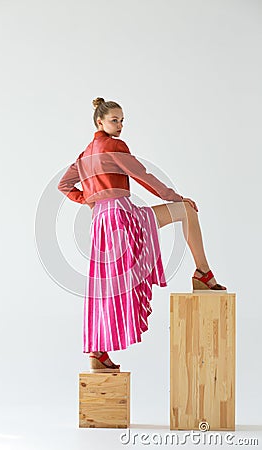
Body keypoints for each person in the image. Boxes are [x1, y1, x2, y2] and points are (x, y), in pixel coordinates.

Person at [57, 97, 226, 373]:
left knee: (106, 285)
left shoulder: (84, 154)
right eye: (115, 120)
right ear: (99, 121)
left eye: (122, 120)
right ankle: (203, 274)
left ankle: (98, 352)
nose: (120, 125)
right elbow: (143, 175)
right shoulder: (114, 145)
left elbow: (64, 185)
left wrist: (90, 200)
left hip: (101, 222)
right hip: (122, 216)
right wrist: (175, 196)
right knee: (185, 210)